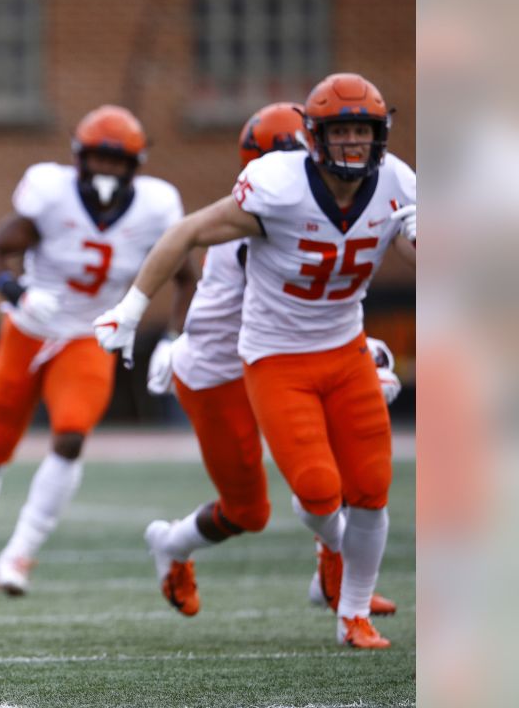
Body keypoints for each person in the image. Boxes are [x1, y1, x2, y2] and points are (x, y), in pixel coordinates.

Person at [93, 73, 416, 649]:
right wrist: (161, 332)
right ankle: (173, 543)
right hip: (224, 369)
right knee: (250, 510)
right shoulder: (255, 218)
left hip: (291, 355)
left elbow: (326, 302)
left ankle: (338, 582)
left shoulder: (375, 190)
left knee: (351, 476)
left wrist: (365, 352)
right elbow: (258, 311)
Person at [0, 106, 191, 597]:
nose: (107, 171)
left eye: (117, 162)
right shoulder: (51, 194)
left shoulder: (156, 208)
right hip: (29, 329)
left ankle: (19, 553)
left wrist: (175, 337)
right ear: (79, 160)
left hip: (90, 335)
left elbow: (187, 276)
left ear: (135, 166)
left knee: (72, 436)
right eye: (99, 159)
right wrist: (18, 292)